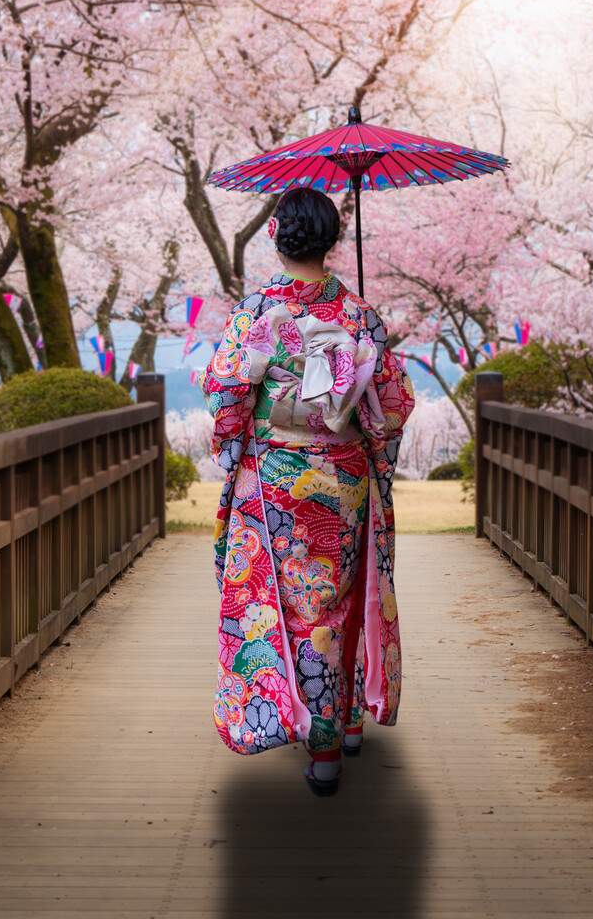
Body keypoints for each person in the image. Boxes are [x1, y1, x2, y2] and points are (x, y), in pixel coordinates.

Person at [203, 185, 416, 796]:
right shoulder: (359, 316)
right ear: (331, 240)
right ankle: (345, 720)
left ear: (276, 233)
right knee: (341, 600)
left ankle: (321, 745)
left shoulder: (256, 311)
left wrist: (234, 445)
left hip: (275, 478)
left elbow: (225, 396)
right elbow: (393, 405)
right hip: (344, 474)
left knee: (290, 607)